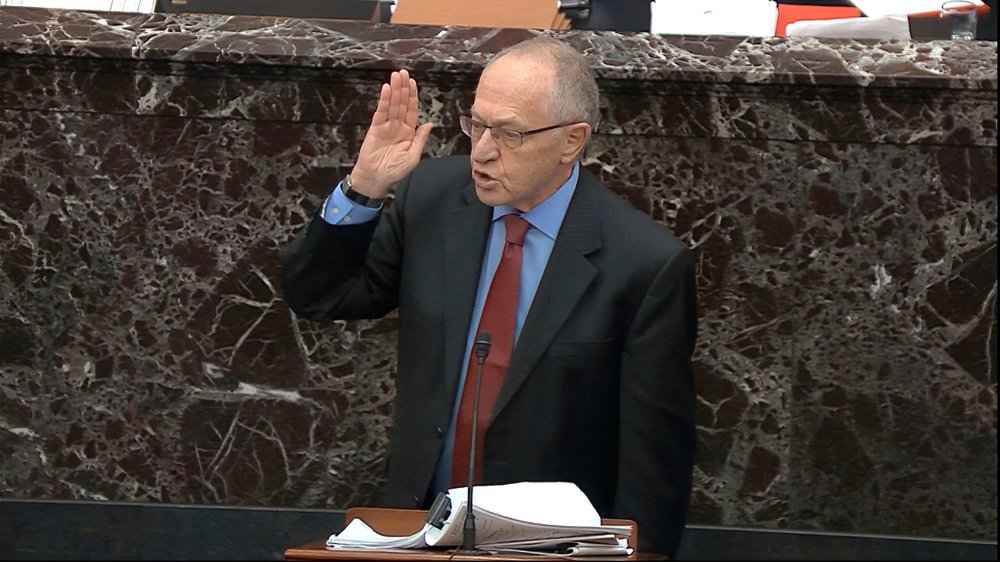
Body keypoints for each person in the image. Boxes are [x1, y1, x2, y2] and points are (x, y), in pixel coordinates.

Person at [280, 34, 698, 558]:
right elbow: (319, 295)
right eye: (476, 124)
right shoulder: (430, 198)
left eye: (509, 134)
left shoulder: (643, 262)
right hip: (417, 529)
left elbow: (653, 462)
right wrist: (364, 187)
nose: (481, 150)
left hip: (552, 547)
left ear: (572, 141)